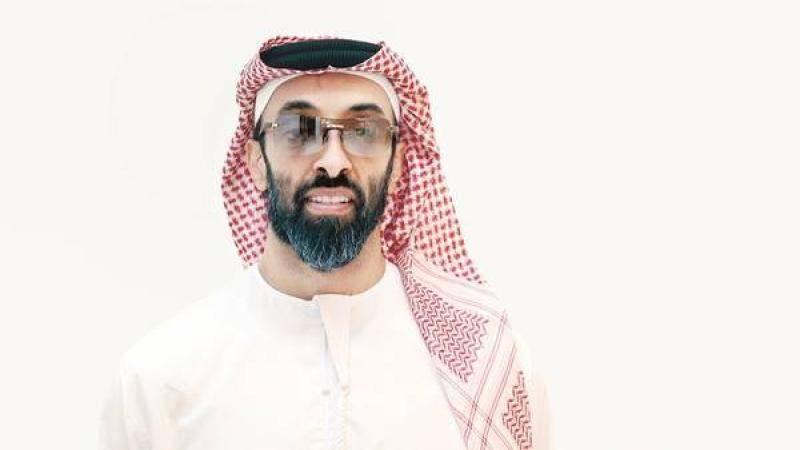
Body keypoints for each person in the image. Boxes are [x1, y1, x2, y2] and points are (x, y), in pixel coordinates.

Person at [99, 35, 551, 450]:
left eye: (363, 131)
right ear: (255, 161)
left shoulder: (486, 367)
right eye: (299, 130)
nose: (333, 162)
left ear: (398, 164)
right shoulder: (162, 378)